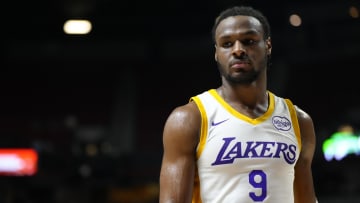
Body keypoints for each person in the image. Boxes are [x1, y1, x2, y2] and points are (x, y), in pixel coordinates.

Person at [159, 5, 318, 203]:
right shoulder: (189, 119)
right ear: (216, 53)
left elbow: (306, 199)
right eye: (226, 44)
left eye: (248, 41)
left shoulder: (299, 121)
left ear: (268, 46)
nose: (238, 50)